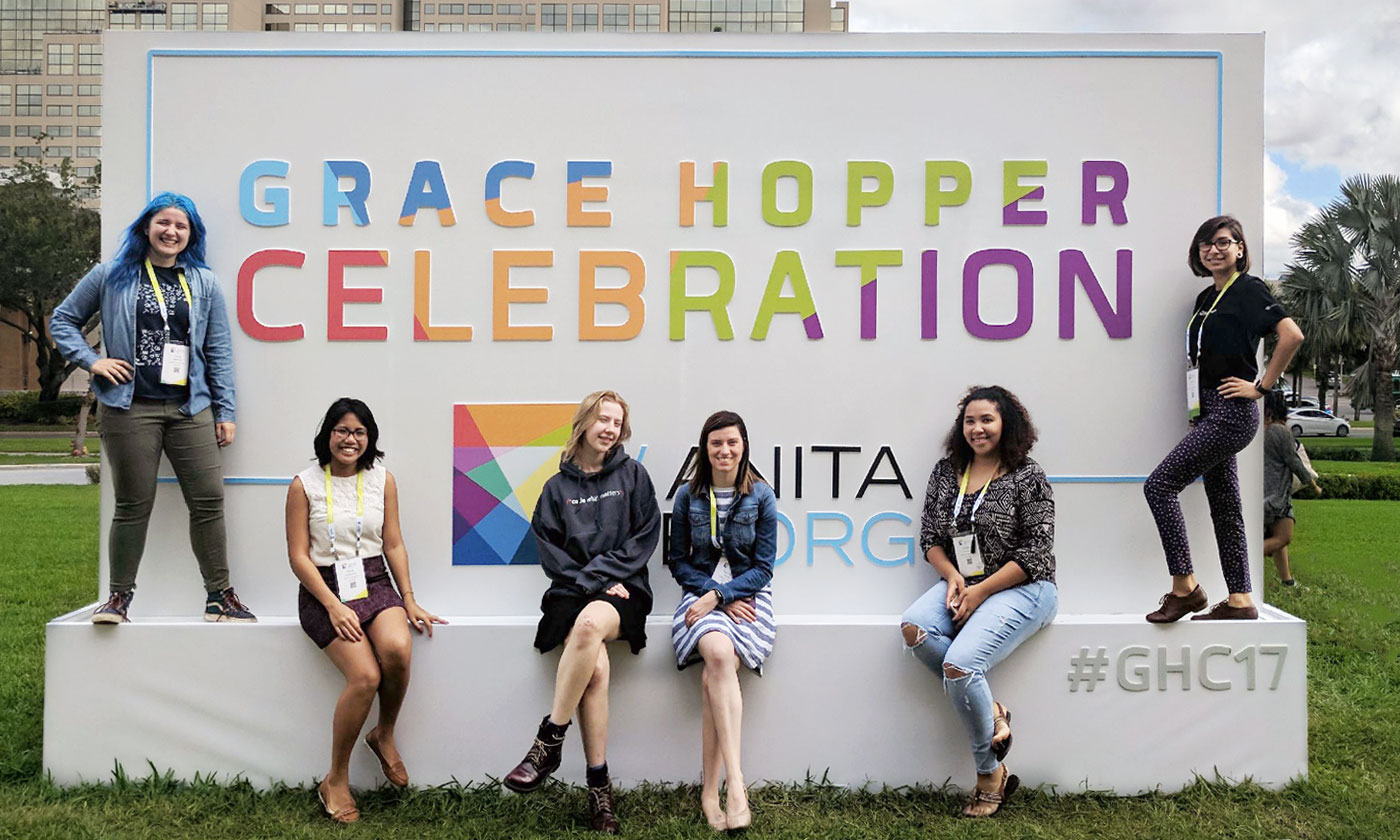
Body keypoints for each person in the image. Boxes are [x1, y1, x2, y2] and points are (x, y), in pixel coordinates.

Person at [50, 192, 254, 624]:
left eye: (182, 226)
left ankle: (219, 597)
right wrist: (93, 360)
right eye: (164, 222)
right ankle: (118, 599)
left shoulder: (203, 283)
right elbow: (61, 320)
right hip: (129, 409)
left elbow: (217, 351)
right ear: (146, 227)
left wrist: (226, 411)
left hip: (189, 409)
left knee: (208, 501)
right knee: (132, 505)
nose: (171, 232)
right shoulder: (111, 276)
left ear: (190, 235)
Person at [503, 390, 661, 835]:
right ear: (584, 423)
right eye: (602, 419)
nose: (609, 428)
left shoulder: (633, 475)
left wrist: (607, 576)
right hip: (572, 588)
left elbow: (645, 537)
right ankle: (599, 791)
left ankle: (548, 741)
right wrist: (592, 581)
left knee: (592, 623)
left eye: (617, 421)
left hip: (625, 590)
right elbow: (549, 550)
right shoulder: (556, 488)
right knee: (594, 671)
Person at [900, 386, 1057, 818]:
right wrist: (953, 577)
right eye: (970, 420)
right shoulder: (948, 470)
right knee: (915, 629)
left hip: (1026, 587)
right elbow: (930, 538)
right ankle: (992, 709)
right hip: (964, 580)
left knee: (960, 664)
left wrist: (980, 591)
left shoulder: (1027, 475)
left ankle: (990, 775)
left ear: (1006, 423)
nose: (977, 428)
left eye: (986, 419)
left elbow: (1036, 552)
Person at [286, 398, 444, 824]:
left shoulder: (382, 480)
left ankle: (384, 733)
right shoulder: (304, 484)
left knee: (396, 649)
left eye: (358, 432)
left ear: (369, 438)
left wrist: (408, 597)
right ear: (328, 435)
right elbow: (298, 556)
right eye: (341, 430)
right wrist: (333, 605)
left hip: (374, 581)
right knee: (366, 676)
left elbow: (392, 543)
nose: (349, 439)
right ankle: (335, 779)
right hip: (325, 589)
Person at [1144, 216, 1305, 622]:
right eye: (1205, 245)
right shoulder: (1205, 299)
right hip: (1209, 411)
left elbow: (1291, 335)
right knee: (1226, 507)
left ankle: (1185, 588)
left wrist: (1261, 387)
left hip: (1232, 412)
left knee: (1159, 486)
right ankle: (1240, 600)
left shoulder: (1249, 289)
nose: (1213, 250)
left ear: (1240, 249)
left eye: (1222, 242)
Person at [668, 410, 777, 832]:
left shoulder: (762, 495)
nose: (725, 451)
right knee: (716, 652)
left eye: (732, 442)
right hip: (698, 595)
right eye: (716, 443)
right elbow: (678, 562)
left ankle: (712, 790)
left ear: (744, 445)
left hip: (749, 597)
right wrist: (712, 595)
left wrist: (725, 596)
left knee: (716, 672)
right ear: (705, 448)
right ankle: (736, 783)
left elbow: (764, 568)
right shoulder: (686, 496)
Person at [1262, 390, 1320, 586]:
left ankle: (1287, 581)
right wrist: (1313, 484)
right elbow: (1293, 461)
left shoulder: (1260, 431)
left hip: (1265, 494)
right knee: (1283, 538)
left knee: (1277, 536)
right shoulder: (1280, 431)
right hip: (1277, 495)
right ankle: (1242, 561)